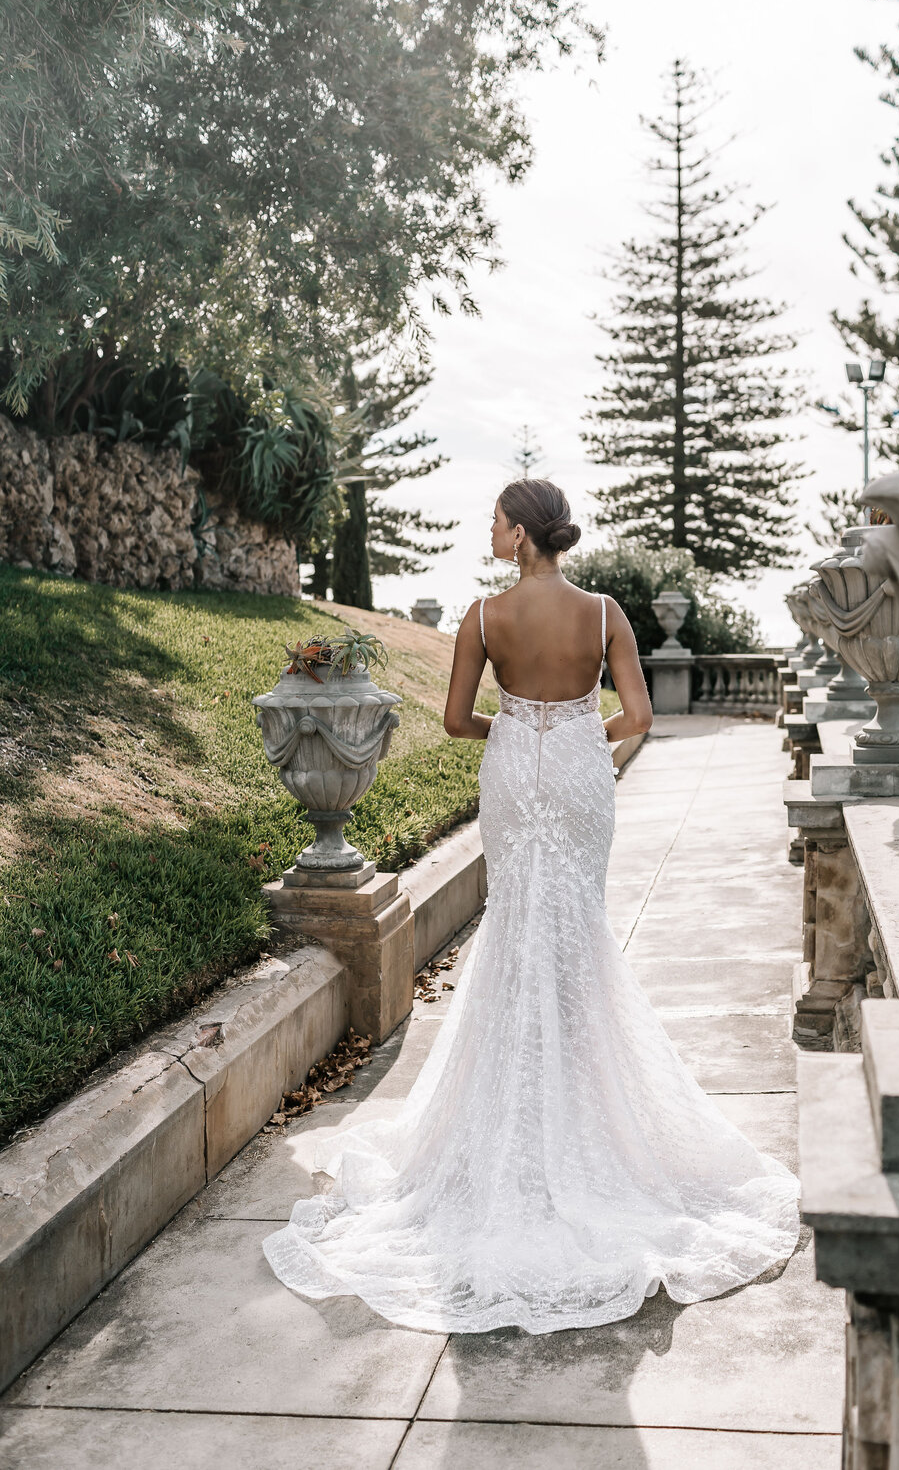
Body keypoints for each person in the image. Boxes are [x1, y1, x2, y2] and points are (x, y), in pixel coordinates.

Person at [262, 478, 801, 1334]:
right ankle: (587, 1111)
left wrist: (515, 729)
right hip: (582, 778)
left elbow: (454, 721)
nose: (489, 529)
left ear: (519, 535)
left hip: (514, 775)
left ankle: (513, 1114)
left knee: (516, 928)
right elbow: (639, 715)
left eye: (495, 520)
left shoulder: (483, 617)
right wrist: (577, 731)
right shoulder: (606, 612)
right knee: (576, 931)